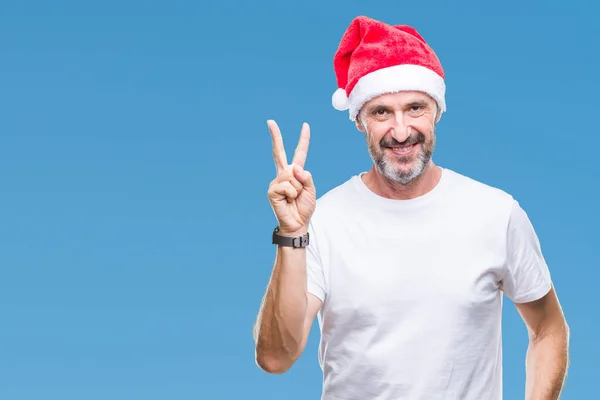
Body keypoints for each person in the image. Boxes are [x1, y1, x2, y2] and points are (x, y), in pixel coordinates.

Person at [253, 15, 570, 400]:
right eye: (381, 112)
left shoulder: (496, 214)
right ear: (359, 121)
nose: (401, 132)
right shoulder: (322, 220)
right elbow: (275, 357)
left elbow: (548, 329)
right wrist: (291, 233)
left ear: (437, 110)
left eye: (415, 108)